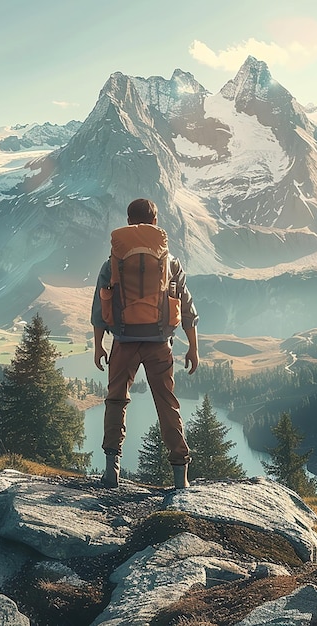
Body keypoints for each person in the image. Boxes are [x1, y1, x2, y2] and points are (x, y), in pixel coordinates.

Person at [91, 198, 199, 489]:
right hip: (159, 343)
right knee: (167, 404)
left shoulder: (113, 262)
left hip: (124, 342)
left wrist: (98, 345)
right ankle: (181, 476)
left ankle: (111, 470)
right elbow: (186, 308)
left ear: (129, 221)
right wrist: (193, 347)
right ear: (155, 221)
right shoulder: (170, 263)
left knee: (116, 401)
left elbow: (100, 307)